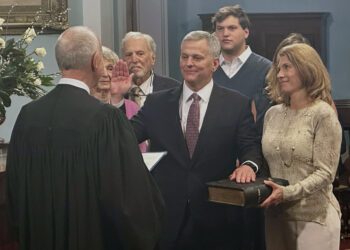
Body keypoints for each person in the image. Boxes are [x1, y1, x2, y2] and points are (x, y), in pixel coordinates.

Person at [6, 26, 164, 250]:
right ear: (95, 61)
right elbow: (129, 203)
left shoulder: (28, 115)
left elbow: (14, 191)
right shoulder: (105, 119)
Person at [113, 30, 262, 250]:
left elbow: (250, 147)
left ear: (214, 64)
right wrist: (117, 99)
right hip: (168, 218)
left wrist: (249, 165)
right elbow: (123, 136)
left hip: (217, 218)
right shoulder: (156, 103)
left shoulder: (237, 104)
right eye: (184, 57)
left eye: (197, 58)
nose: (189, 63)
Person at [261, 43, 342, 250]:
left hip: (314, 218)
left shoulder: (323, 113)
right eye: (279, 68)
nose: (280, 74)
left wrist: (287, 193)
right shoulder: (272, 114)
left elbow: (325, 173)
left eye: (287, 67)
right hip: (276, 217)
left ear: (307, 69)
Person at [212, 5, 271, 126]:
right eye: (220, 29)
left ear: (246, 32)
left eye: (232, 28)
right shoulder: (208, 69)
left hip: (253, 141)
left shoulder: (267, 69)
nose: (225, 33)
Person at [91, 46, 147, 152]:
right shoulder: (83, 105)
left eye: (110, 68)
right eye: (100, 68)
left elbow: (140, 149)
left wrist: (117, 96)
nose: (105, 74)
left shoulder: (132, 107)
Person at [121, 31, 180, 107]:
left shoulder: (173, 89)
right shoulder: (117, 92)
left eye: (140, 54)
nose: (134, 60)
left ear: (153, 58)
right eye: (129, 55)